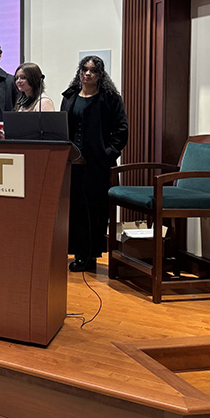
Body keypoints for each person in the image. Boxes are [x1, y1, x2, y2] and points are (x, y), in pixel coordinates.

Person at [61, 55, 128, 272]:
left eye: (93, 71)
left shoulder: (110, 98)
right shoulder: (70, 96)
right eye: (84, 69)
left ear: (100, 75)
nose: (87, 74)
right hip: (73, 163)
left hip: (97, 165)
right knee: (75, 210)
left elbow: (121, 130)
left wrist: (107, 154)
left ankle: (90, 257)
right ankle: (78, 253)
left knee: (94, 212)